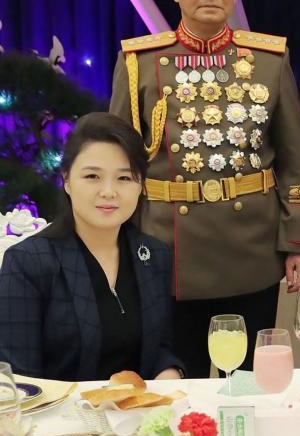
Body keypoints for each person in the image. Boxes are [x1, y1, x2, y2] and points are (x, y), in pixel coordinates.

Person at [108, 0, 300, 378]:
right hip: (166, 249)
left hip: (250, 248)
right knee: (171, 380)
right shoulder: (140, 62)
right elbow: (119, 166)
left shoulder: (269, 60)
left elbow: (295, 160)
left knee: (245, 383)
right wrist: (117, 244)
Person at [0, 113, 184, 381]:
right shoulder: (28, 262)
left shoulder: (155, 255)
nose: (109, 191)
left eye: (124, 178)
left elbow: (160, 348)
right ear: (67, 180)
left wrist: (168, 372)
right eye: (92, 176)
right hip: (60, 418)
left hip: (139, 415)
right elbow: (18, 378)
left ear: (140, 185)